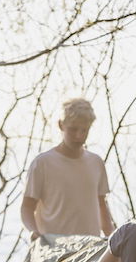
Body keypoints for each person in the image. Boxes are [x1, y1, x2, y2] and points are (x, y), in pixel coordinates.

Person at [21, 98, 115, 241]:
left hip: (90, 249)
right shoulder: (42, 163)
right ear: (61, 125)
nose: (79, 136)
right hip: (54, 249)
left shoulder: (96, 162)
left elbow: (102, 205)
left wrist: (113, 238)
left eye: (84, 130)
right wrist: (34, 233)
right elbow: (27, 207)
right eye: (73, 129)